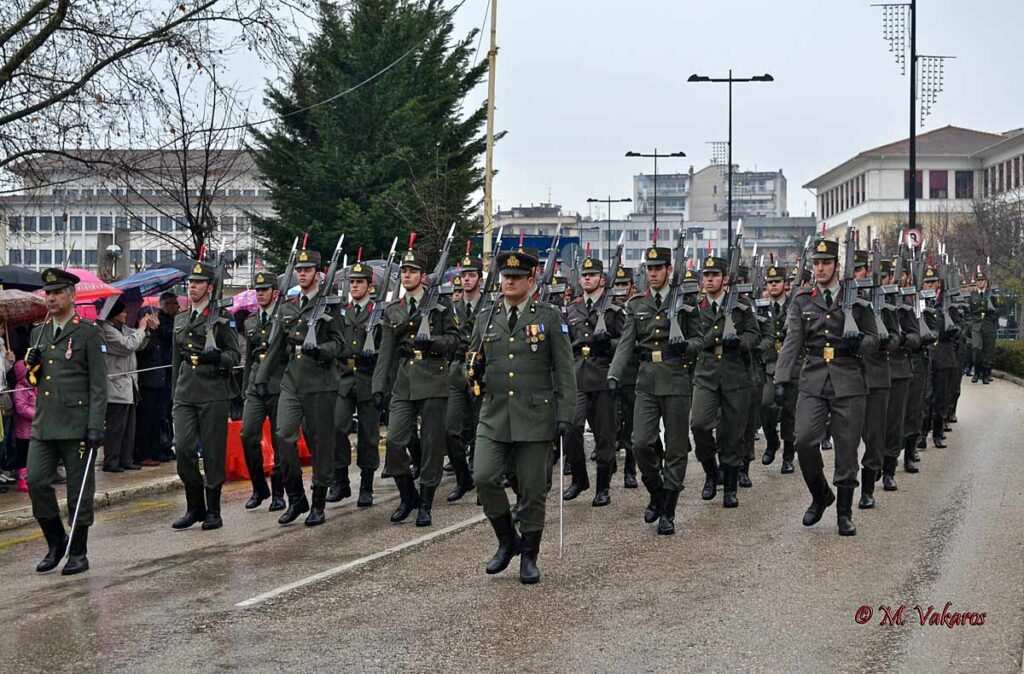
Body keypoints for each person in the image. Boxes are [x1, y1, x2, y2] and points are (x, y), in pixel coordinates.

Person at [468, 248, 574, 583]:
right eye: (505, 277)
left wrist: (565, 414)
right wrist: (470, 371)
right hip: (495, 412)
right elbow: (470, 363)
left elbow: (565, 370)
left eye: (516, 277)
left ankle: (529, 554)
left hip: (535, 414)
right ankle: (506, 540)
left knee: (531, 489)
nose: (509, 282)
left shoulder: (549, 317)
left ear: (532, 279)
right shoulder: (487, 316)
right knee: (484, 476)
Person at [774, 238, 878, 536]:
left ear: (836, 265)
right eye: (816, 263)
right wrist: (781, 379)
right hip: (813, 378)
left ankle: (844, 513)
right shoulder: (803, 299)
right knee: (804, 440)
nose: (819, 268)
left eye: (826, 263)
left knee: (847, 449)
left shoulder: (857, 299)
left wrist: (860, 342)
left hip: (849, 378)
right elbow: (792, 342)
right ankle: (821, 495)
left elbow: (875, 340)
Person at [608, 246, 702, 534]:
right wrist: (614, 373)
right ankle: (657, 492)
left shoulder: (686, 303)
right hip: (646, 380)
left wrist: (685, 347)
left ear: (669, 270)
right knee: (640, 443)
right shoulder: (636, 305)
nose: (653, 273)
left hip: (675, 379)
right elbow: (626, 344)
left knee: (675, 448)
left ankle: (668, 511)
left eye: (658, 268)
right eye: (649, 269)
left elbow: (701, 341)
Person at [24, 267, 108, 575]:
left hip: (78, 423)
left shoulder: (87, 331)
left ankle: (79, 551)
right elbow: (37, 381)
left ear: (72, 296)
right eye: (48, 293)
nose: (52, 298)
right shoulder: (39, 332)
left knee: (79, 490)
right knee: (35, 480)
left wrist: (96, 425)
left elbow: (99, 384)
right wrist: (30, 367)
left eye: (58, 292)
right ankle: (56, 540)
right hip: (45, 422)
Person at [372, 244, 460, 527]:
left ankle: (425, 502)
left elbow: (455, 340)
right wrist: (378, 387)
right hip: (405, 381)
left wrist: (433, 342)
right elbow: (385, 351)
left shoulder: (440, 307)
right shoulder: (394, 310)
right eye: (404, 271)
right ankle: (407, 494)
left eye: (412, 271)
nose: (407, 275)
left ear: (423, 276)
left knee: (433, 444)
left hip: (434, 378)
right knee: (396, 441)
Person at [255, 249, 344, 527]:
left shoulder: (330, 305)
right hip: (292, 381)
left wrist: (320, 350)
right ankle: (296, 497)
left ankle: (318, 502)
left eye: (308, 270)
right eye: (299, 270)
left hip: (320, 383)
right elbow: (276, 347)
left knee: (320, 444)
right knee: (283, 435)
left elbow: (340, 344)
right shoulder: (289, 306)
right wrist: (261, 376)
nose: (302, 274)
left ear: (318, 274)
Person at [170, 260, 240, 531]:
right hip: (186, 391)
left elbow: (234, 355)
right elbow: (177, 359)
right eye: (190, 283)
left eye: (198, 283)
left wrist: (217, 358)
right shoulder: (181, 318)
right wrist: (174, 393)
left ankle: (213, 510)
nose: (193, 287)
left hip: (213, 391)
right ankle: (194, 505)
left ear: (210, 287)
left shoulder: (223, 318)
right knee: (184, 448)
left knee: (212, 452)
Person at [690, 255, 761, 509]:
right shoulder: (695, 307)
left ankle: (730, 487)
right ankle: (711, 472)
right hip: (706, 372)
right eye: (706, 276)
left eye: (715, 276)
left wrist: (740, 343)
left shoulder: (741, 306)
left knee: (733, 433)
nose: (710, 280)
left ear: (725, 279)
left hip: (734, 373)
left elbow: (755, 334)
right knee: (699, 424)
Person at [562, 256, 624, 507]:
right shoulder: (572, 309)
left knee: (604, 435)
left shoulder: (613, 309)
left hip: (603, 373)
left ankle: (603, 487)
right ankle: (579, 478)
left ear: (602, 279)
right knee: (570, 427)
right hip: (577, 374)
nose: (587, 278)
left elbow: (625, 343)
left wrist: (608, 342)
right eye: (584, 275)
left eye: (592, 275)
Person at [333, 261, 383, 507]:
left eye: (359, 282)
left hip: (368, 377)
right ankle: (341, 480)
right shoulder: (342, 311)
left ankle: (366, 485)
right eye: (352, 282)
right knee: (336, 427)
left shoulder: (378, 312)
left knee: (368, 435)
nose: (354, 286)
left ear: (369, 286)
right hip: (344, 377)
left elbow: (385, 348)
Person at [240, 272, 287, 512]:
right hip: (255, 387)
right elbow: (249, 358)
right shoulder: (250, 321)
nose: (260, 293)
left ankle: (279, 492)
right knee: (247, 435)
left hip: (278, 384)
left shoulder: (284, 318)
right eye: (258, 290)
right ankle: (259, 487)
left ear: (275, 292)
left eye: (265, 289)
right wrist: (245, 387)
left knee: (280, 440)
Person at [98, 298, 157, 473]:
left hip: (129, 383)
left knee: (129, 426)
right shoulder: (106, 330)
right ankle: (112, 460)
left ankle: (126, 458)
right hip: (115, 384)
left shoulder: (123, 328)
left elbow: (138, 344)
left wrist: (146, 331)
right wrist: (140, 329)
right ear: (114, 314)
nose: (125, 314)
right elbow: (128, 345)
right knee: (116, 427)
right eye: (122, 312)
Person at [443, 251, 483, 503]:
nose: (466, 280)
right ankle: (462, 477)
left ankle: (481, 481)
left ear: (480, 278)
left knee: (481, 428)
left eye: (471, 275)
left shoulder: (489, 306)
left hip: (480, 370)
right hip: (457, 370)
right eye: (463, 276)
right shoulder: (452, 308)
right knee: (450, 430)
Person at [759, 264, 798, 474]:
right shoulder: (761, 307)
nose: (773, 286)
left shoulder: (794, 306)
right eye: (770, 282)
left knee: (790, 412)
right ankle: (772, 442)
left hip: (791, 365)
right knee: (766, 406)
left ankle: (788, 456)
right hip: (769, 365)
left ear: (785, 284)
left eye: (777, 282)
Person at [611, 266, 639, 489]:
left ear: (632, 286)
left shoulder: (636, 308)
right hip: (607, 374)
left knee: (631, 425)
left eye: (624, 285)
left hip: (631, 373)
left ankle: (630, 470)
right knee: (610, 424)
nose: (620, 289)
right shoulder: (608, 309)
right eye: (617, 285)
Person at [12, 358, 36, 493]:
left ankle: (33, 479)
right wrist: (37, 414)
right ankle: (23, 480)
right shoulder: (20, 389)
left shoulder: (35, 387)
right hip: (24, 432)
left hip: (36, 430)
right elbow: (21, 408)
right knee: (24, 457)